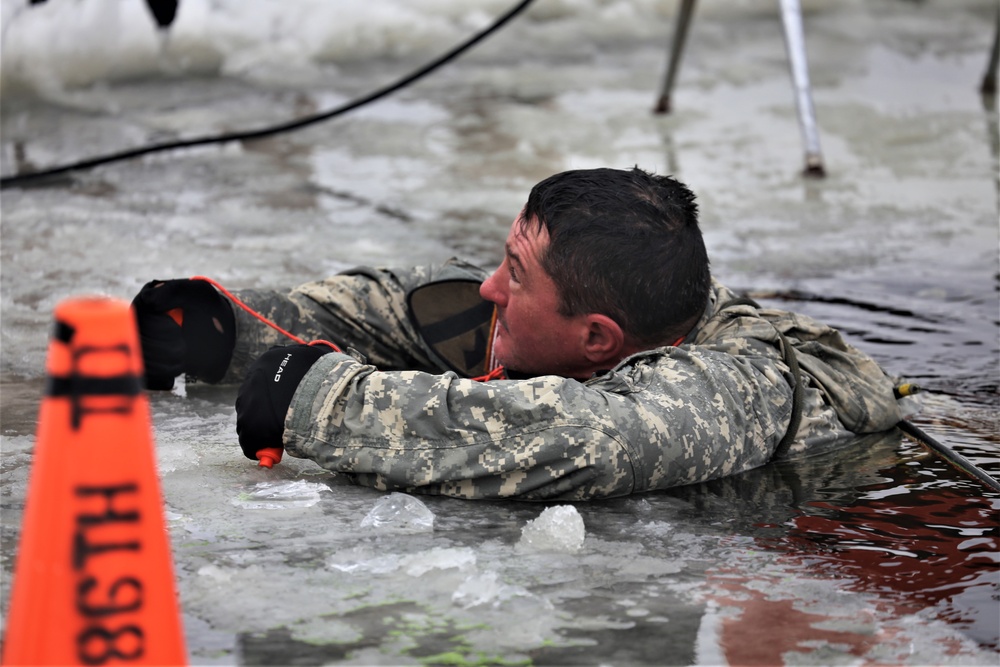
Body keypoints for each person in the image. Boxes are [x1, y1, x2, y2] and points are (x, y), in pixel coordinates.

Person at [131, 167, 906, 500]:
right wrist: (225, 325)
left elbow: (585, 439)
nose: (492, 290)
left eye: (517, 275)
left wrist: (323, 403)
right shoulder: (569, 311)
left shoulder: (729, 391)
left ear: (598, 339)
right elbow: (412, 306)